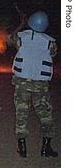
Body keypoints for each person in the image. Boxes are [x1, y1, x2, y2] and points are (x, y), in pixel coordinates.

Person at [10, 11, 58, 158]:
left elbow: (10, 39)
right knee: (45, 114)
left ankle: (22, 147)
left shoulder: (21, 37)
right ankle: (46, 147)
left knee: (21, 113)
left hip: (22, 83)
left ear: (30, 22)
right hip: (40, 84)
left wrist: (21, 24)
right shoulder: (51, 42)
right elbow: (52, 54)